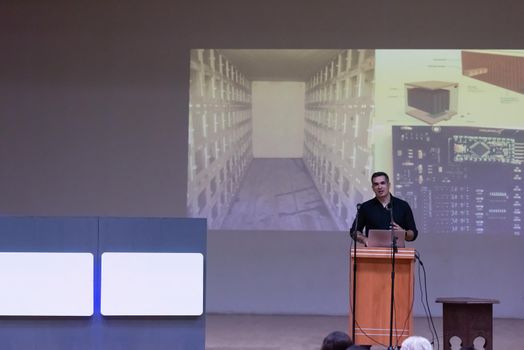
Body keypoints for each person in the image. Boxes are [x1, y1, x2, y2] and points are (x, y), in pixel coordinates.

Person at [351, 171, 418, 245]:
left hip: (397, 253)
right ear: (373, 188)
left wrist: (403, 233)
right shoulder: (365, 207)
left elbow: (413, 234)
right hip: (372, 252)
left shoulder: (403, 205)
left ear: (389, 185)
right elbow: (354, 231)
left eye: (383, 183)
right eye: (376, 184)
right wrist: (364, 239)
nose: (379, 187)